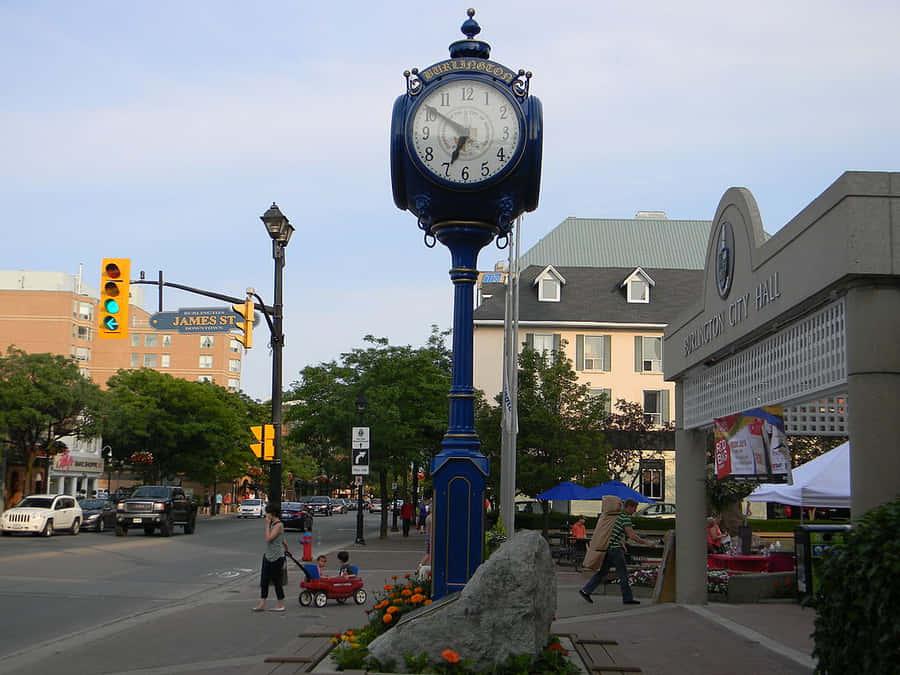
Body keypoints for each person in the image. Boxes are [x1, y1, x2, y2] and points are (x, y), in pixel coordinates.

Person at [578, 498, 652, 605]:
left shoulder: (619, 516)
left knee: (603, 572)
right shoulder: (625, 518)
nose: (635, 510)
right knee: (623, 573)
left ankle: (586, 590)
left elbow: (616, 532)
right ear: (629, 507)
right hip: (616, 550)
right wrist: (647, 543)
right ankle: (627, 598)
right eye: (634, 508)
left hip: (610, 548)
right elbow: (632, 535)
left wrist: (622, 543)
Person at [253, 504, 290, 612]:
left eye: (267, 513)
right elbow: (282, 539)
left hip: (276, 557)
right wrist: (286, 547)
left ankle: (280, 604)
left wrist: (267, 524)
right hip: (268, 555)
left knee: (276, 580)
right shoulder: (274, 524)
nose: (266, 515)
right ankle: (262, 603)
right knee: (264, 580)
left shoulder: (278, 525)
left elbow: (269, 538)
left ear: (272, 514)